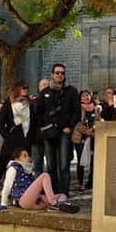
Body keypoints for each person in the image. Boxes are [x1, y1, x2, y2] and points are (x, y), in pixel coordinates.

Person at [34, 63, 80, 194]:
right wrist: (44, 125)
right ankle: (53, 192)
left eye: (62, 73)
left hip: (64, 132)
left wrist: (69, 126)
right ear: (52, 75)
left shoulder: (71, 91)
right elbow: (38, 111)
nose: (60, 75)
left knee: (64, 164)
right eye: (57, 73)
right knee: (51, 165)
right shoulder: (45, 93)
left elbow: (76, 111)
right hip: (49, 132)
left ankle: (64, 193)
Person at [0, 149, 79, 213]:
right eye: (24, 156)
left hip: (35, 201)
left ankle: (60, 204)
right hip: (23, 200)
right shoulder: (14, 168)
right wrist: (3, 204)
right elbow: (7, 186)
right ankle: (53, 203)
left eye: (28, 156)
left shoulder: (28, 170)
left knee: (62, 195)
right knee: (44, 175)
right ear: (17, 158)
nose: (28, 158)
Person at [0, 82, 37, 177]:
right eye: (23, 88)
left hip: (26, 138)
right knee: (11, 165)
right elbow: (0, 123)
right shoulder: (8, 105)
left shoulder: (30, 104)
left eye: (27, 88)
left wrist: (32, 136)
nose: (26, 89)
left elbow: (34, 121)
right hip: (13, 139)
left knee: (25, 165)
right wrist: (8, 136)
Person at [73, 90, 98, 191]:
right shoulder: (77, 108)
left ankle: (91, 181)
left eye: (87, 95)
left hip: (94, 137)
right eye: (83, 96)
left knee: (93, 160)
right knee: (81, 161)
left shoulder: (96, 108)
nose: (86, 97)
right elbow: (77, 122)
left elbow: (98, 119)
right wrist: (87, 131)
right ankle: (80, 182)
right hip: (81, 138)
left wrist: (93, 130)